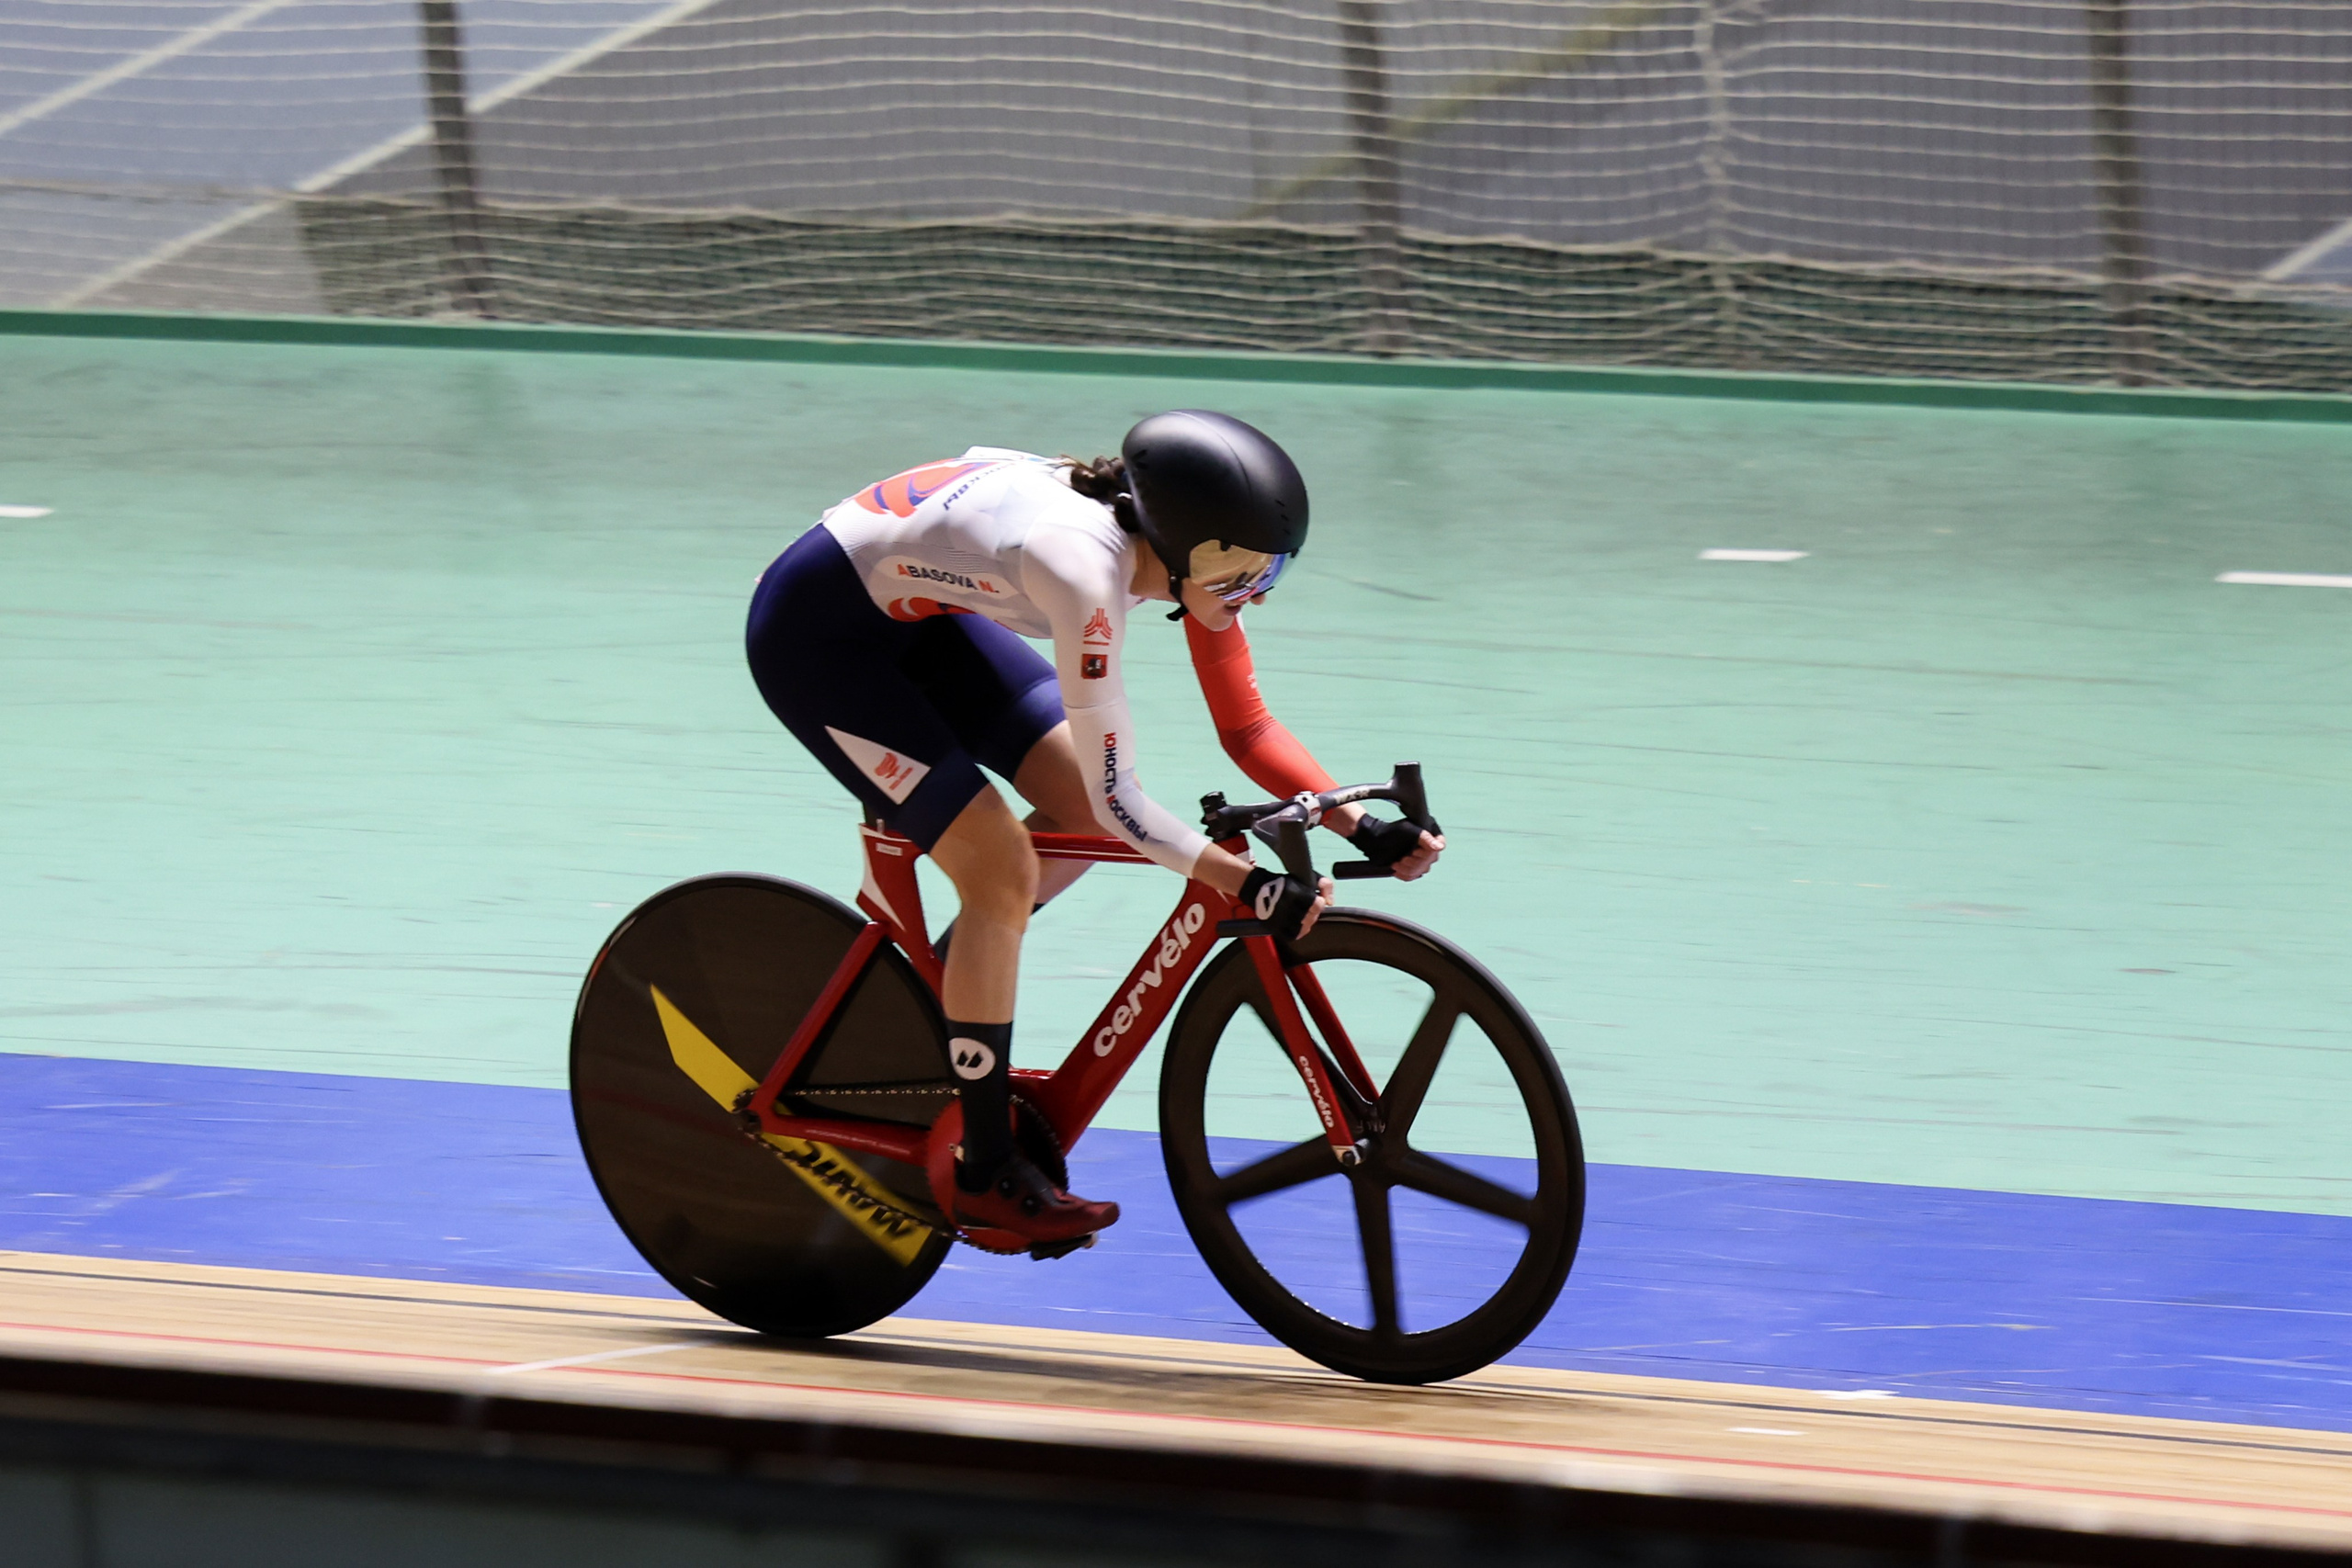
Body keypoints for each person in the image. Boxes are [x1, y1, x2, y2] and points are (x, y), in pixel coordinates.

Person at [745, 411, 1442, 1246]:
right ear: (1184, 539)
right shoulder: (1081, 570)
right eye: (1238, 567)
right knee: (1001, 865)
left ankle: (966, 968)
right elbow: (1126, 803)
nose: (1249, 589)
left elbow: (1248, 732)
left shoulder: (1185, 561)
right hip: (820, 639)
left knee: (1061, 816)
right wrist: (1243, 882)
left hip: (916, 612)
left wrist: (1360, 826)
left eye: (1267, 570)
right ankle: (987, 1168)